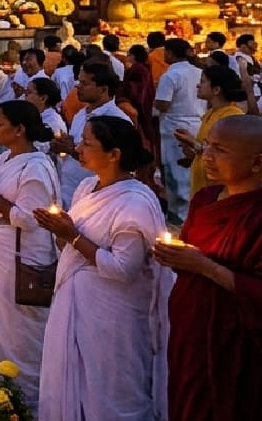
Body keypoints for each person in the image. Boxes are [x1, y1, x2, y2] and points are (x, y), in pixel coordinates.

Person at [34, 115, 167, 421]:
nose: (78, 148)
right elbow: (70, 245)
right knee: (72, 377)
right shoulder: (85, 187)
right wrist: (60, 232)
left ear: (114, 154)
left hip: (111, 315)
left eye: (87, 143)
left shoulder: (134, 202)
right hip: (74, 301)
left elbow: (123, 269)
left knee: (109, 387)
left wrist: (71, 235)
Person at [155, 113, 262, 419]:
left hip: (239, 347)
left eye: (220, 150)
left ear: (258, 163)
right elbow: (193, 253)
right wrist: (176, 254)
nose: (206, 156)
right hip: (191, 333)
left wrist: (204, 266)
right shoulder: (206, 198)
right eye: (207, 145)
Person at [0, 100, 59, 412]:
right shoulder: (7, 158)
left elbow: (29, 219)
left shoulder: (36, 167)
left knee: (18, 331)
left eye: (1, 123)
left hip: (18, 258)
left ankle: (25, 400)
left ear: (20, 130)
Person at [54, 59, 129, 208]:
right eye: (79, 82)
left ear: (103, 89)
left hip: (97, 194)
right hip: (69, 187)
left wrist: (73, 150)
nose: (78, 87)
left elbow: (117, 162)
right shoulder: (81, 114)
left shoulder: (116, 119)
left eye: (84, 84)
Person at [176, 62, 245, 199]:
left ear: (216, 90)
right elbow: (206, 147)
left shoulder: (232, 116)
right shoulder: (210, 113)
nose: (198, 85)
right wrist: (192, 150)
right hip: (202, 186)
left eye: (202, 82)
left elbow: (227, 156)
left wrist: (195, 144)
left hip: (216, 191)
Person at [154, 38, 205, 223]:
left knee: (177, 172)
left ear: (169, 53)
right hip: (197, 123)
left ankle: (181, 215)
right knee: (191, 170)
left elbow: (163, 104)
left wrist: (153, 96)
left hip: (175, 127)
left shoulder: (170, 76)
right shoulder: (199, 72)